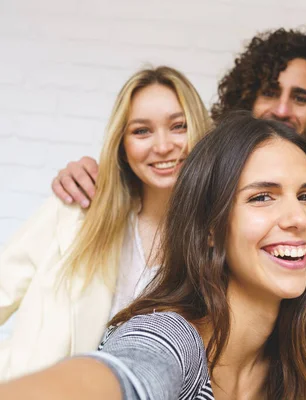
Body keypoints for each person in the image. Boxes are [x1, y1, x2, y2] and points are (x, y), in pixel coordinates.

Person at [0, 112, 306, 400]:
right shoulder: (171, 338)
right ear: (209, 227)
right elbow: (130, 370)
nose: (298, 218)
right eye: (262, 197)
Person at [0, 66, 212, 381]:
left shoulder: (217, 240)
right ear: (122, 146)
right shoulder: (74, 211)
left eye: (178, 126)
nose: (163, 145)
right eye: (142, 131)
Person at [50, 28, 306, 207]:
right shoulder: (207, 163)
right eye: (269, 92)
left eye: (300, 98)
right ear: (247, 97)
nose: (282, 109)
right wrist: (86, 173)